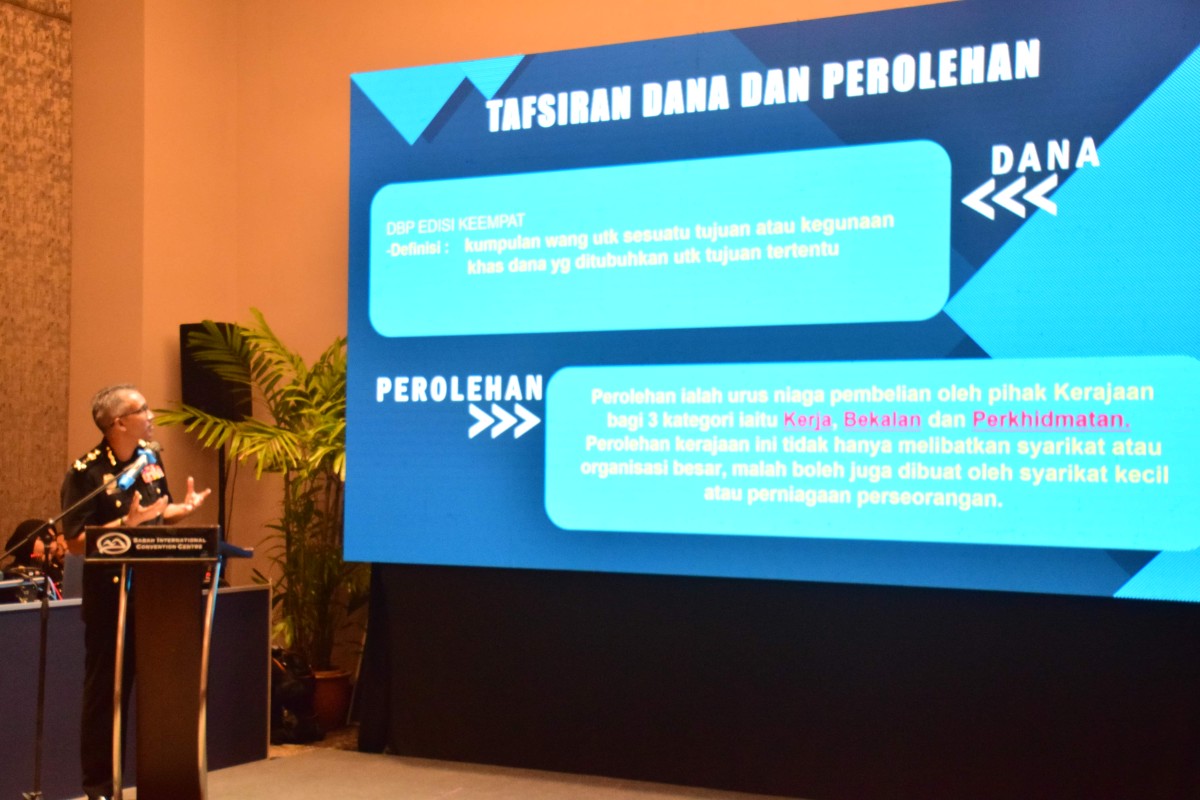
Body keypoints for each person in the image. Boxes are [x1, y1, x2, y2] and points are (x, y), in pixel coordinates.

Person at [60, 384, 211, 800]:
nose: (151, 415)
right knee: (106, 696)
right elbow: (74, 541)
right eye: (142, 409)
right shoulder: (86, 473)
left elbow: (157, 514)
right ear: (118, 423)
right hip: (112, 600)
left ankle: (164, 783)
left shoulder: (150, 457)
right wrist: (123, 527)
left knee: (161, 694)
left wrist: (181, 510)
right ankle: (100, 788)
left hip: (157, 595)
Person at [2, 519, 67, 600]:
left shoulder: (59, 572)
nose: (52, 546)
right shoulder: (10, 577)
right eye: (44, 540)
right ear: (27, 543)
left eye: (53, 540)